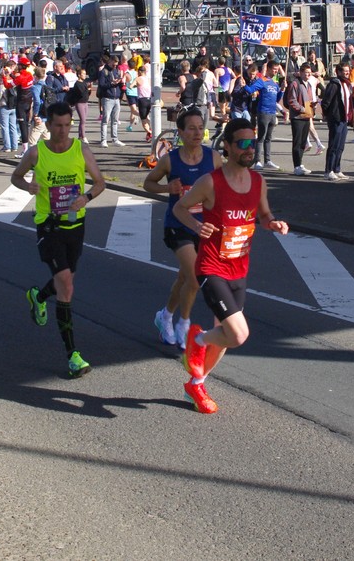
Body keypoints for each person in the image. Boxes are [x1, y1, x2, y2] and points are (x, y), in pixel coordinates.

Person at [175, 117, 289, 413]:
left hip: (239, 269)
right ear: (227, 146)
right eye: (243, 143)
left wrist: (273, 223)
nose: (250, 148)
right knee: (238, 334)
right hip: (211, 267)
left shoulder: (258, 182)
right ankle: (198, 339)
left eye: (253, 142)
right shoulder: (210, 182)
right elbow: (180, 208)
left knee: (224, 337)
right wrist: (196, 226)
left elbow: (264, 215)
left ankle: (196, 384)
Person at [16, 102, 106, 379]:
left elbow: (100, 182)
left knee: (65, 280)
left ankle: (38, 296)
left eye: (68, 125)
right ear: (49, 125)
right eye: (58, 125)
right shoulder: (36, 152)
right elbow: (16, 177)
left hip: (75, 225)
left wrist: (86, 198)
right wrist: (28, 185)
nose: (63, 130)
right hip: (49, 225)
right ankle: (72, 355)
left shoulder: (82, 150)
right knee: (66, 283)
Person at [144, 107, 221, 349]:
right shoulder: (170, 159)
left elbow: (223, 189)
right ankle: (183, 324)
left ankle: (165, 315)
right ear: (180, 132)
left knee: (183, 278)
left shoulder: (213, 158)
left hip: (204, 227)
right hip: (178, 225)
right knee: (195, 279)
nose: (197, 133)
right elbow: (148, 183)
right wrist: (168, 189)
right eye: (191, 129)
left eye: (201, 128)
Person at [320, 61, 353, 180]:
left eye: (348, 71)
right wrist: (328, 115)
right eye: (344, 71)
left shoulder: (347, 84)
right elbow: (326, 102)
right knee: (333, 145)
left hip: (344, 119)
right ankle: (328, 170)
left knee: (340, 146)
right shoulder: (334, 84)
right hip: (336, 119)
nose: (347, 73)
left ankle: (337, 169)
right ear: (338, 72)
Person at [284, 62, 316, 175]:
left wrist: (313, 106)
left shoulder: (309, 85)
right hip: (297, 117)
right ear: (301, 73)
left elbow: (309, 99)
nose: (308, 75)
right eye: (306, 73)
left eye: (310, 73)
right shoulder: (295, 84)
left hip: (307, 116)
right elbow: (292, 100)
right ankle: (296, 166)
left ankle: (300, 163)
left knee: (303, 142)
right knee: (297, 142)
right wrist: (302, 108)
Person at [96, 54, 125, 147]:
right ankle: (103, 140)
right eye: (114, 64)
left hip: (116, 98)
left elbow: (119, 84)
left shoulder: (116, 71)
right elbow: (101, 85)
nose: (115, 66)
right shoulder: (104, 71)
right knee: (105, 120)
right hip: (107, 98)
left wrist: (121, 83)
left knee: (115, 120)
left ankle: (115, 139)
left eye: (116, 65)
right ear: (110, 61)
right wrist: (112, 83)